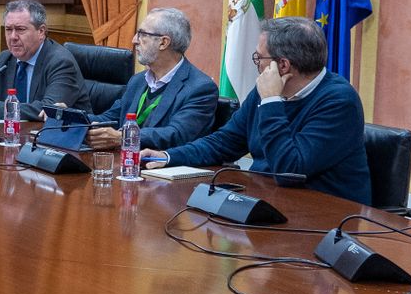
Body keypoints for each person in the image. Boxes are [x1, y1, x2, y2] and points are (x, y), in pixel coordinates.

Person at [141, 16, 371, 203]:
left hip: (324, 216)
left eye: (258, 58)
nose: (257, 65)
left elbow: (289, 170)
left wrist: (272, 101)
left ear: (282, 65)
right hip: (269, 200)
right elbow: (225, 142)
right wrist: (170, 155)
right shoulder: (265, 90)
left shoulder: (339, 101)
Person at [85, 8, 218, 151]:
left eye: (142, 34)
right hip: (127, 164)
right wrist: (69, 117)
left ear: (163, 43)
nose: (134, 40)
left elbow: (177, 134)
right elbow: (111, 119)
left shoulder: (200, 88)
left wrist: (124, 137)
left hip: (162, 168)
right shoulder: (138, 81)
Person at [0, 0, 87, 119]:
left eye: (20, 29)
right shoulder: (6, 58)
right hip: (14, 134)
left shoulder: (60, 62)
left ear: (41, 32)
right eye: (8, 29)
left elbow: (49, 109)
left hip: (61, 136)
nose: (13, 37)